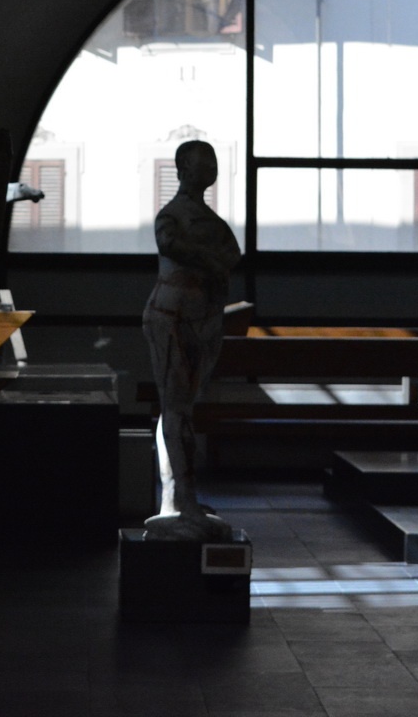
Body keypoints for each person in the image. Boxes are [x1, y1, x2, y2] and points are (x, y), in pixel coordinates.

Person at [143, 140, 241, 541]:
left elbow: (232, 254)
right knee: (176, 409)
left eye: (213, 163)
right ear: (183, 168)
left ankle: (179, 499)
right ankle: (181, 500)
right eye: (204, 163)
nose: (211, 170)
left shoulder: (209, 221)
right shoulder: (172, 216)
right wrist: (209, 259)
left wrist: (213, 262)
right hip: (173, 316)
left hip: (201, 318)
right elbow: (171, 244)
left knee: (181, 409)